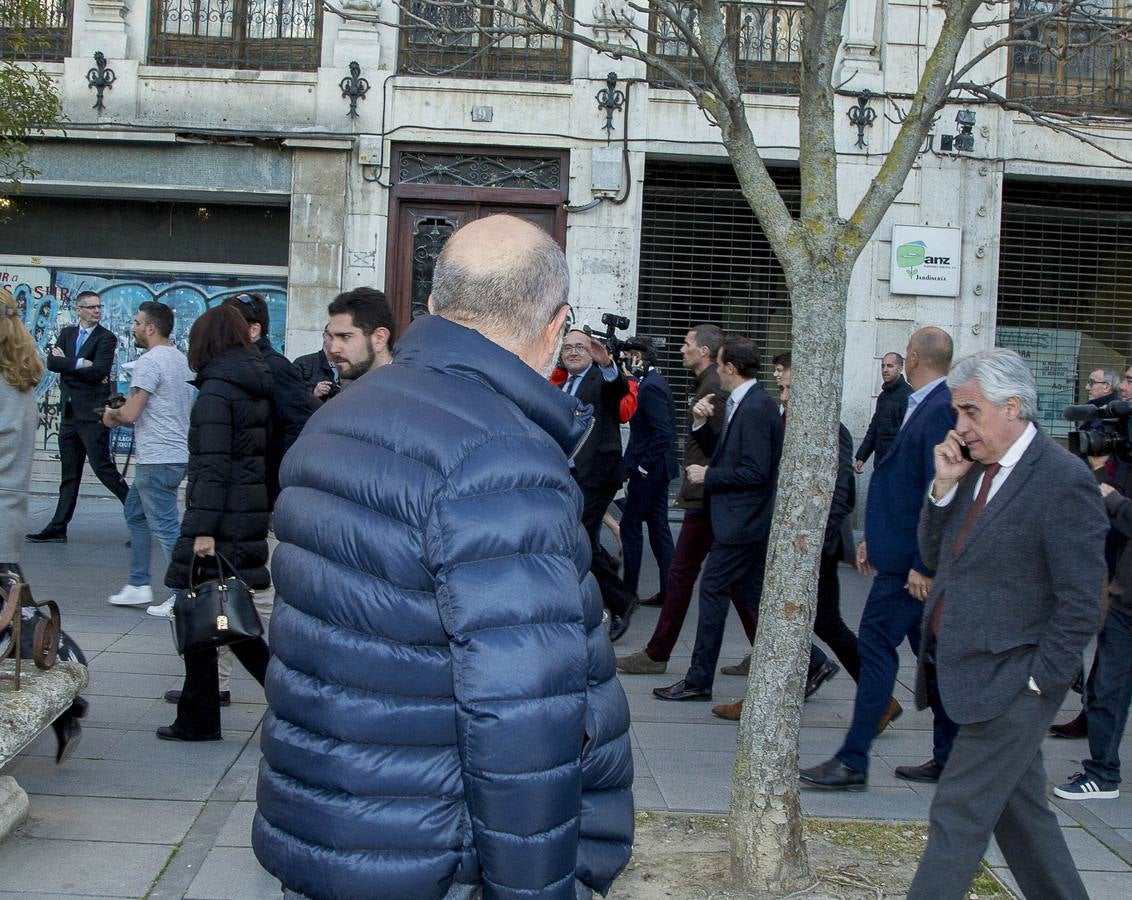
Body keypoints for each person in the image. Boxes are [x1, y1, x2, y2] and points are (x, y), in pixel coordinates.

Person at [254, 214, 633, 899]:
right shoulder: (501, 457)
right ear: (557, 325)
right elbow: (521, 717)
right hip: (432, 851)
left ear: (432, 305)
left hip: (328, 823)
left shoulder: (341, 415)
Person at [907, 348, 1105, 900]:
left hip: (1016, 679)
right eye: (957, 412)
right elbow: (936, 557)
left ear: (1012, 407)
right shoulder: (972, 468)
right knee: (1022, 817)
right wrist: (943, 488)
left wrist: (1041, 681)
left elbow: (1081, 600)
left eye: (970, 411)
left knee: (958, 811)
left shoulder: (1062, 479)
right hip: (967, 670)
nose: (960, 426)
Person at [801, 327, 956, 789]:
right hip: (900, 556)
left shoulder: (939, 407)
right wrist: (873, 538)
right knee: (933, 655)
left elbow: (939, 491)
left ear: (913, 357)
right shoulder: (919, 402)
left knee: (874, 645)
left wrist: (924, 563)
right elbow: (899, 482)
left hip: (911, 566)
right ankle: (949, 756)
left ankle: (853, 760)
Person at [617, 325, 763, 675]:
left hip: (708, 496)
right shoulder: (708, 383)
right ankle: (778, 654)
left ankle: (659, 654)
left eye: (687, 343)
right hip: (707, 494)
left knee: (687, 575)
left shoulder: (717, 386)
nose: (682, 349)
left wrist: (707, 475)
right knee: (729, 582)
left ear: (706, 352)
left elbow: (728, 447)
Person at [157, 304, 273, 742]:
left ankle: (205, 717)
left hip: (218, 521)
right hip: (242, 513)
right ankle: (198, 716)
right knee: (219, 617)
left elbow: (211, 464)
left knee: (210, 614)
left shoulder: (217, 392)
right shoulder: (251, 384)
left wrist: (202, 528)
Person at [653, 336, 783, 703]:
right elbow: (728, 456)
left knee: (713, 590)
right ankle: (811, 665)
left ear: (732, 368)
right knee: (749, 595)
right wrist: (700, 425)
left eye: (721, 364)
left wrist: (708, 475)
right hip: (737, 520)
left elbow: (755, 471)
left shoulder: (756, 407)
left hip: (742, 522)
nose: (717, 371)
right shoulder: (743, 402)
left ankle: (698, 680)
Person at [0, 289, 88, 763]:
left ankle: (70, 689)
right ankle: (69, 700)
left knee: (17, 617)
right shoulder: (18, 379)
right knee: (13, 613)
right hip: (7, 513)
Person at [101, 302, 194, 616]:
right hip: (174, 453)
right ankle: (138, 582)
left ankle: (183, 594)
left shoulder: (149, 362)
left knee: (166, 527)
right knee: (136, 513)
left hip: (157, 456)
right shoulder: (180, 359)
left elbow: (130, 413)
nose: (134, 328)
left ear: (151, 328)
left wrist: (110, 414)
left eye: (137, 323)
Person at [1052, 450, 1132, 800]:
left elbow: (1116, 507)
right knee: (1105, 689)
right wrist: (1100, 471)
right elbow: (1101, 509)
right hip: (1124, 601)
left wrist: (1116, 502)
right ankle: (1102, 773)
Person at [27, 290, 129, 542]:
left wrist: (70, 365)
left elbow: (99, 371)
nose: (97, 311)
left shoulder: (106, 337)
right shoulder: (67, 334)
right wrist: (81, 363)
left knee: (103, 468)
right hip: (70, 413)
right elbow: (53, 363)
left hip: (92, 414)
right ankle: (58, 527)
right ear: (79, 310)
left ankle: (139, 516)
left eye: (99, 307)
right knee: (69, 474)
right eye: (91, 307)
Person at [561, 326, 638, 640]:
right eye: (568, 347)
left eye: (580, 347)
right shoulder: (563, 384)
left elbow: (617, 392)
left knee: (578, 538)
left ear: (592, 352)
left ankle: (621, 600)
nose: (573, 352)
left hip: (597, 474)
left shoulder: (599, 378)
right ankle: (608, 573)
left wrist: (608, 364)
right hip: (571, 474)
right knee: (584, 538)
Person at [223, 293, 311, 504]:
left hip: (263, 488)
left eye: (228, 326)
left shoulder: (275, 367)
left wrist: (278, 484)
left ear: (254, 330)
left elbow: (298, 426)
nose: (221, 333)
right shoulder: (236, 366)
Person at [618, 336, 678, 604]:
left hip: (650, 470)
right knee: (658, 528)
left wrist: (643, 465)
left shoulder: (651, 386)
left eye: (628, 355)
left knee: (631, 525)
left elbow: (662, 432)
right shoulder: (652, 382)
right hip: (656, 469)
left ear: (639, 357)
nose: (624, 360)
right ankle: (670, 592)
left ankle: (628, 592)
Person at [855, 352, 914, 472]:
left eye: (890, 366)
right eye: (883, 366)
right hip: (881, 463)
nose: (885, 370)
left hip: (898, 465)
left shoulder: (908, 395)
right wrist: (861, 457)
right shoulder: (883, 396)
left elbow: (909, 434)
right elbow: (874, 428)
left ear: (900, 369)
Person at [324, 287, 395, 381]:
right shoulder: (348, 387)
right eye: (331, 337)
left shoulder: (408, 385)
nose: (333, 349)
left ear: (379, 338)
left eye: (345, 337)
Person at [292, 327, 339, 404]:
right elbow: (291, 394)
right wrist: (314, 393)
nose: (336, 341)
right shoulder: (303, 363)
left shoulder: (347, 365)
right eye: (332, 336)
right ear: (324, 336)